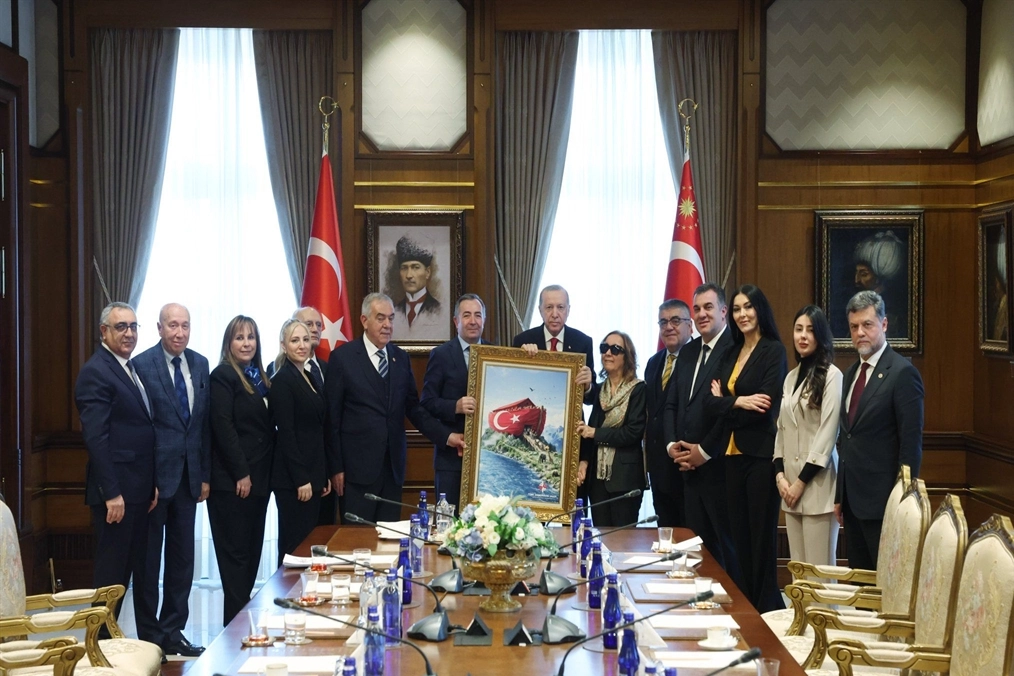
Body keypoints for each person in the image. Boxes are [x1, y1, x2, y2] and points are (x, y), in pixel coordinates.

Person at [326, 293, 464, 523]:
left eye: (391, 318)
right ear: (364, 320)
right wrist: (336, 468)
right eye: (380, 318)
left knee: (388, 538)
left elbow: (414, 409)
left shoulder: (400, 358)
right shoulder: (343, 359)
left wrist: (447, 436)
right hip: (356, 472)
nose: (387, 325)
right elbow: (332, 419)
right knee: (356, 540)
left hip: (393, 471)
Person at [131, 303, 210, 657]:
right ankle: (150, 637)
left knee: (182, 561)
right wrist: (147, 480)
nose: (179, 333)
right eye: (173, 325)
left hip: (189, 479)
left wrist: (204, 475)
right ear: (159, 328)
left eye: (185, 326)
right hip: (155, 483)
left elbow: (203, 425)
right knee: (148, 562)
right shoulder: (142, 365)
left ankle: (173, 631)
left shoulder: (200, 364)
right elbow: (140, 429)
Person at [75, 302, 157, 635]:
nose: (129, 333)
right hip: (117, 495)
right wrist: (112, 493)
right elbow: (96, 439)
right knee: (111, 579)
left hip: (138, 490)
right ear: (103, 331)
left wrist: (151, 483)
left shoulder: (129, 368)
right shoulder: (96, 371)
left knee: (130, 575)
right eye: (121, 326)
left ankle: (118, 646)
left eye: (133, 326)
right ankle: (98, 646)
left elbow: (141, 430)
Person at [704, 284, 786, 613]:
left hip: (760, 456)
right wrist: (737, 401)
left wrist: (726, 402)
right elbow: (710, 404)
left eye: (748, 307)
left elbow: (764, 405)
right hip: (730, 457)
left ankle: (767, 608)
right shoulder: (730, 352)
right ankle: (748, 608)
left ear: (759, 309)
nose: (742, 314)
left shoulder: (773, 351)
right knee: (738, 539)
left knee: (760, 539)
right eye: (737, 309)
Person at [835, 290, 924, 570]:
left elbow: (910, 445)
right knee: (860, 583)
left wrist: (902, 501)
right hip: (852, 504)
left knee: (886, 583)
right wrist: (840, 496)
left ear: (884, 324)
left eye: (867, 325)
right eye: (854, 327)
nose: (860, 333)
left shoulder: (902, 373)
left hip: (885, 504)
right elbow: (846, 439)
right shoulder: (850, 374)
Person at [663, 283, 740, 580]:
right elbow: (672, 404)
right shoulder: (689, 351)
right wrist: (672, 445)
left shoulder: (735, 349)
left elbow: (727, 410)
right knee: (697, 551)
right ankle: (702, 601)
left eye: (708, 307)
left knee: (725, 552)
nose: (702, 314)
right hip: (686, 469)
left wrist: (704, 452)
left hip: (719, 468)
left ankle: (731, 604)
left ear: (723, 311)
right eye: (696, 309)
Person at [207, 315, 274, 625]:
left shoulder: (261, 378)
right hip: (233, 483)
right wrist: (241, 473)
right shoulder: (223, 375)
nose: (246, 343)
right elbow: (223, 428)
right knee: (235, 560)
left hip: (259, 481)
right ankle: (233, 632)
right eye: (239, 337)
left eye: (251, 337)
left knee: (250, 557)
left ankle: (236, 627)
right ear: (228, 344)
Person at [512, 285, 596, 497]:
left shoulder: (583, 342)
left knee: (572, 500)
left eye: (560, 307)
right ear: (540, 310)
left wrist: (588, 385)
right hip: (533, 425)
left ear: (568, 310)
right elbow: (516, 387)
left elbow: (591, 398)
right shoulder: (523, 341)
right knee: (531, 495)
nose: (555, 313)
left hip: (571, 432)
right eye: (549, 307)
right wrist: (521, 359)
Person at [774, 305, 841, 568]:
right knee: (799, 573)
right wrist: (780, 477)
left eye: (810, 330)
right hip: (789, 486)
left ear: (820, 335)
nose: (803, 336)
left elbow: (828, 433)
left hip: (817, 486)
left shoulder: (832, 376)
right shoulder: (790, 378)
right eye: (798, 329)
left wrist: (800, 483)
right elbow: (782, 429)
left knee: (820, 573)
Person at [270, 319, 331, 566]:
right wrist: (301, 479)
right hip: (294, 481)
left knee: (308, 546)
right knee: (295, 547)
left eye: (305, 340)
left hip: (313, 474)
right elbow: (287, 434)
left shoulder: (307, 375)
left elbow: (317, 429)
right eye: (295, 340)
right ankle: (288, 590)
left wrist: (322, 474)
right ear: (283, 345)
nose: (302, 345)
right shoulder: (282, 380)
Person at [420, 294, 488, 511]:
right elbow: (427, 402)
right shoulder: (441, 355)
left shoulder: (496, 355)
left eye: (478, 315)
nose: (473, 321)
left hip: (486, 461)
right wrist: (455, 406)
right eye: (466, 315)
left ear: (484, 320)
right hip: (451, 460)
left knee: (488, 524)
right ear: (456, 321)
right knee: (449, 523)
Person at [578, 331, 647, 526]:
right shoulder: (600, 390)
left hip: (625, 480)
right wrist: (584, 461)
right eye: (604, 348)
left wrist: (595, 432)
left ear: (627, 357)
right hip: (597, 481)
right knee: (601, 537)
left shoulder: (639, 389)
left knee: (623, 539)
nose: (608, 353)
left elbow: (633, 433)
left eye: (615, 349)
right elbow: (589, 428)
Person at [644, 299, 693, 527]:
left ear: (689, 326)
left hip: (687, 464)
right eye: (663, 322)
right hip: (658, 467)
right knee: (665, 533)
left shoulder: (698, 360)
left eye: (675, 320)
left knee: (690, 535)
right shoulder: (654, 363)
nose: (669, 327)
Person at [391, 236, 447, 340]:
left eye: (415, 267)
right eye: (404, 268)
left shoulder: (439, 310)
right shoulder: (394, 310)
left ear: (427, 272)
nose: (409, 275)